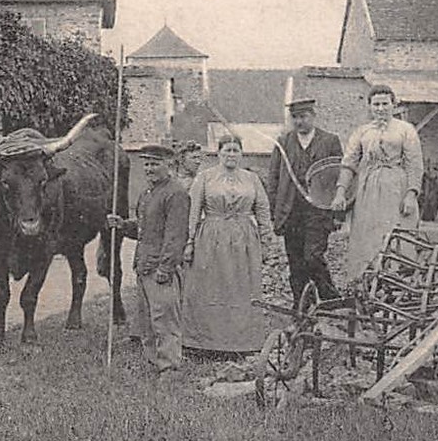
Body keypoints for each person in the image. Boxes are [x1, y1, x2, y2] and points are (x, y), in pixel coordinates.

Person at [182, 134, 273, 354]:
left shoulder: (251, 179)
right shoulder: (205, 178)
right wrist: (190, 241)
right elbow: (193, 211)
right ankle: (204, 343)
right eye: (227, 150)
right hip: (211, 237)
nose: (231, 155)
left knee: (241, 288)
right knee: (210, 287)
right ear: (218, 153)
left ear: (241, 154)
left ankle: (242, 343)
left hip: (244, 239)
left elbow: (262, 209)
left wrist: (266, 240)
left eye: (236, 150)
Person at [106, 142, 191, 375]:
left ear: (169, 165)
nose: (149, 168)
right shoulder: (147, 194)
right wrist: (123, 225)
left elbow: (176, 236)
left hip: (160, 269)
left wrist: (166, 268)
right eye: (146, 164)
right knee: (148, 322)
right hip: (143, 265)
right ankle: (153, 363)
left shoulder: (176, 194)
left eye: (155, 164)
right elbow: (146, 229)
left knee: (165, 321)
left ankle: (170, 368)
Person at [331, 85, 424, 283]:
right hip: (368, 191)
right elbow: (349, 163)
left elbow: (414, 165)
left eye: (385, 104)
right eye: (376, 104)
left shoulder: (405, 130)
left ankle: (398, 287)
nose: (380, 108)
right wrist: (340, 192)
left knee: (396, 237)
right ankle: (365, 287)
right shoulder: (362, 132)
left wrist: (411, 195)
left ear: (393, 105)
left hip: (396, 189)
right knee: (366, 239)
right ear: (370, 107)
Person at [265, 95, 344, 303]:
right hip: (291, 212)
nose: (300, 121)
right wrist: (275, 213)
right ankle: (302, 307)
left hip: (319, 211)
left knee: (313, 257)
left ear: (313, 116)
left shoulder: (330, 141)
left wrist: (338, 214)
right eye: (295, 117)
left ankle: (330, 299)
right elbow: (273, 178)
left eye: (304, 116)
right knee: (296, 264)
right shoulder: (283, 142)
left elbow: (340, 178)